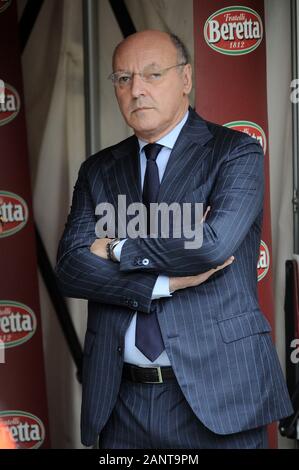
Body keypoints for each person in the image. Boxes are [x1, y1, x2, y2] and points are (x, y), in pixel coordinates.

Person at [55, 30, 293, 449]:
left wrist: (118, 247)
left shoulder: (235, 152)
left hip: (218, 398)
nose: (137, 89)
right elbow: (72, 268)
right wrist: (162, 282)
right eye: (123, 79)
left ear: (185, 79)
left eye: (152, 74)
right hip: (120, 402)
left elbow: (213, 245)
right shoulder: (98, 170)